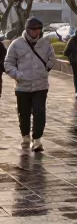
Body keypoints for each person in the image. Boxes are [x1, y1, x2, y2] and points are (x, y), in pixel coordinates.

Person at [4, 17, 57, 151]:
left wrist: (46, 70)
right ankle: (25, 136)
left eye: (38, 29)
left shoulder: (45, 44)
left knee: (39, 113)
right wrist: (18, 75)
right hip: (22, 86)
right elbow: (8, 63)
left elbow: (52, 58)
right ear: (27, 30)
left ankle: (37, 140)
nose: (36, 32)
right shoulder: (16, 44)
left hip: (41, 85)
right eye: (33, 29)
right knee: (24, 113)